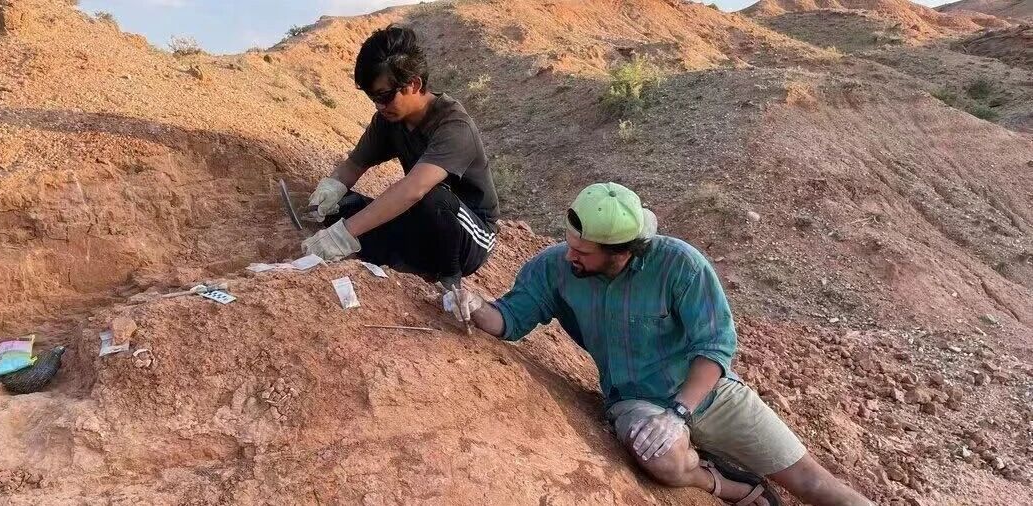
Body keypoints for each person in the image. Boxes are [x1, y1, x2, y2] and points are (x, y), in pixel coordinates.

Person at [443, 182, 872, 506]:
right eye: (570, 244)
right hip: (636, 399)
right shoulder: (555, 268)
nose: (570, 255)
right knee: (664, 459)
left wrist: (679, 413)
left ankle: (707, 447)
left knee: (813, 482)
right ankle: (727, 483)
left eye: (584, 252)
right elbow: (509, 320)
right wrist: (475, 304)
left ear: (622, 251)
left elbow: (715, 345)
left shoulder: (680, 264)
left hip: (709, 394)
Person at [301, 25, 500, 290]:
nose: (379, 105)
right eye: (372, 97)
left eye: (384, 96)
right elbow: (355, 164)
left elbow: (412, 191)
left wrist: (343, 235)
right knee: (343, 207)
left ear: (414, 84)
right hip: (423, 225)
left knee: (431, 196)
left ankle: (448, 278)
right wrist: (332, 188)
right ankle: (409, 264)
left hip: (470, 236)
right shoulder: (388, 120)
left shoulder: (454, 126)